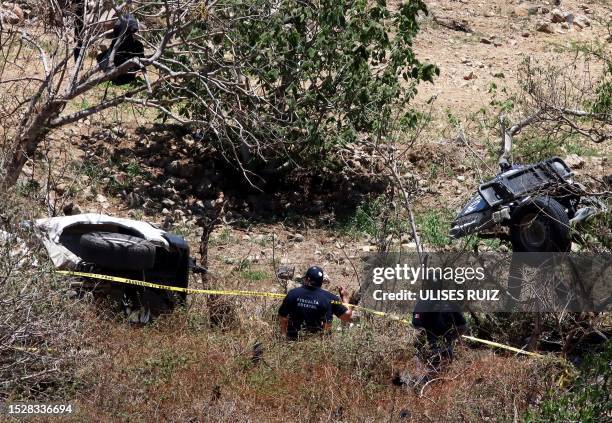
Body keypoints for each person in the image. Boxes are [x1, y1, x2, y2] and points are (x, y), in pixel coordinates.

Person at [278, 266, 352, 340]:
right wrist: (345, 298)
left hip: (292, 341)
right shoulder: (329, 298)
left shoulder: (293, 293)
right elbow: (347, 316)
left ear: (307, 279)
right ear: (321, 282)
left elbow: (283, 316)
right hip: (316, 343)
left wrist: (283, 334)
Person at [412, 298, 467, 374]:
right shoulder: (451, 304)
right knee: (441, 377)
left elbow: (416, 326)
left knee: (429, 377)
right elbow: (463, 327)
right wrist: (450, 338)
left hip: (432, 349)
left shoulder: (422, 303)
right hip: (441, 348)